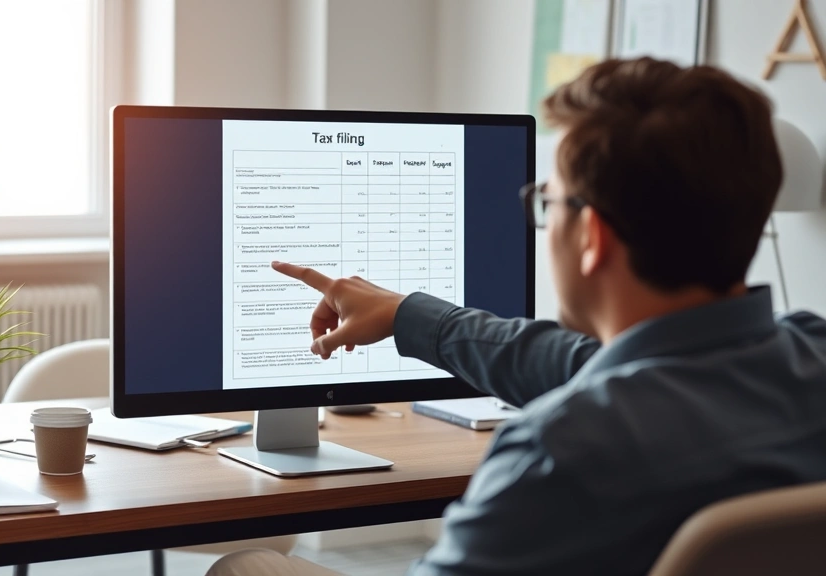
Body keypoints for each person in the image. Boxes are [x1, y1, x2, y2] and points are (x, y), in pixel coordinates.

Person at [207, 57, 826, 576]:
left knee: (248, 566)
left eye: (546, 202)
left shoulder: (559, 453)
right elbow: (581, 364)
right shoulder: (810, 353)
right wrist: (405, 314)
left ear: (593, 238)